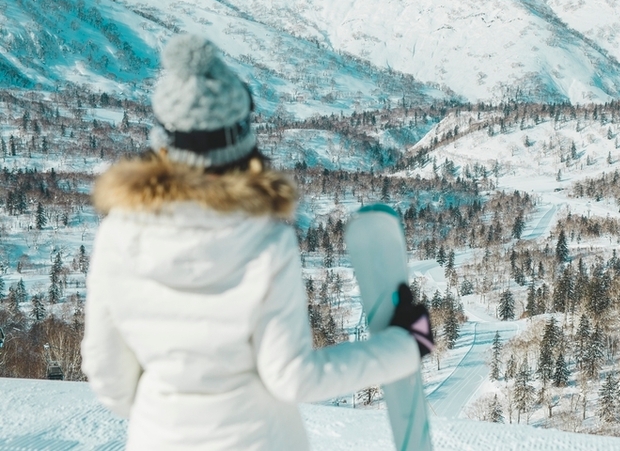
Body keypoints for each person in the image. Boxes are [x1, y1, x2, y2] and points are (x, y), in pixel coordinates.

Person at [81, 34, 434, 450]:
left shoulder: (117, 234)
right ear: (241, 141)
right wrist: (404, 344)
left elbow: (109, 376)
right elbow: (293, 378)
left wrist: (168, 412)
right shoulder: (265, 240)